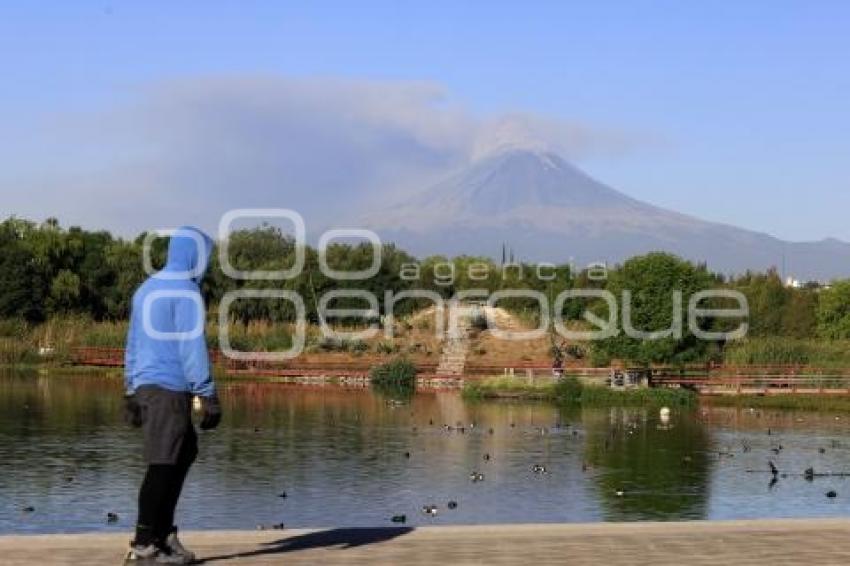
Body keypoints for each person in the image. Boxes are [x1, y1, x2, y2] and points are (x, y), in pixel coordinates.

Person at [123, 226, 222, 564]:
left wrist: (130, 389)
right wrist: (207, 394)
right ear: (195, 254)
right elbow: (192, 347)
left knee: (183, 453)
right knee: (163, 464)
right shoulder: (187, 292)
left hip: (149, 387)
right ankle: (144, 544)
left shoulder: (146, 289)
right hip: (168, 388)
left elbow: (132, 342)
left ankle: (163, 535)